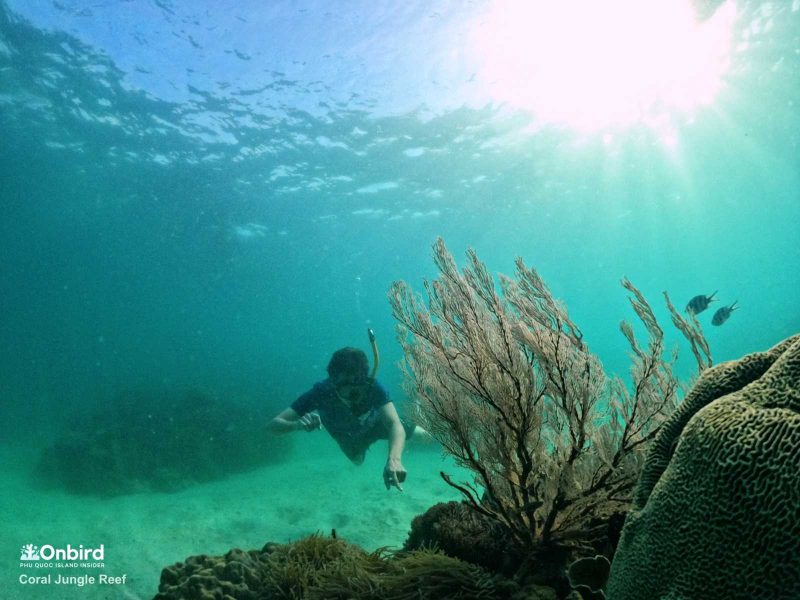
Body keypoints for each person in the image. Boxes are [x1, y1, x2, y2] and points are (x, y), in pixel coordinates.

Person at [267, 346, 417, 491]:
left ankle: (428, 428)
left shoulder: (373, 387)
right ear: (333, 382)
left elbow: (394, 424)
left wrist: (394, 460)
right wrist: (296, 425)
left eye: (358, 382)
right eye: (347, 384)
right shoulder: (321, 392)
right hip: (349, 439)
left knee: (413, 430)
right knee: (357, 460)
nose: (355, 390)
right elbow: (272, 427)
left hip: (375, 425)